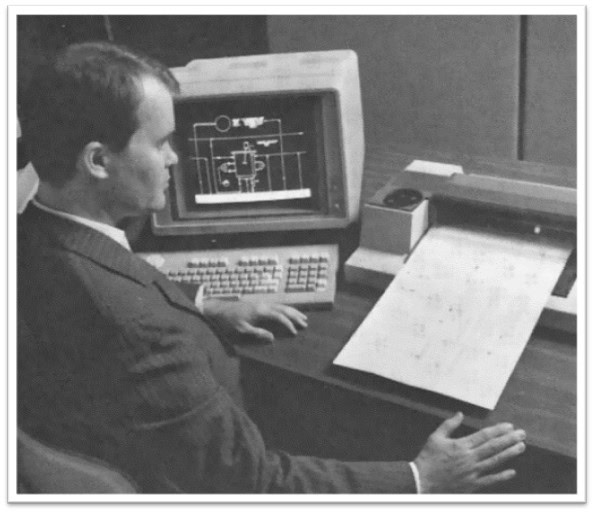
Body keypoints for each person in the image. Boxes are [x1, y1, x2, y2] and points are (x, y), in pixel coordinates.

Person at [17, 41, 526, 494]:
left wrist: (204, 303)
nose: (175, 159)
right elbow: (254, 482)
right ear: (98, 161)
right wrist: (420, 478)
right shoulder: (142, 332)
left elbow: (116, 278)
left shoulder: (28, 236)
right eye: (160, 142)